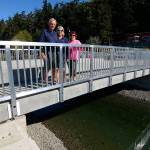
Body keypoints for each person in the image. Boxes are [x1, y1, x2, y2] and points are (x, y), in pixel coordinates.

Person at [39, 18, 57, 83]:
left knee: (54, 67)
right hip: (47, 53)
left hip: (54, 53)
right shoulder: (45, 31)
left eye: (54, 24)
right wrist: (42, 53)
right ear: (49, 24)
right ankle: (45, 81)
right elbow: (40, 43)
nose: (53, 25)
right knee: (47, 66)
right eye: (51, 24)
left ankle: (53, 80)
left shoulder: (55, 33)